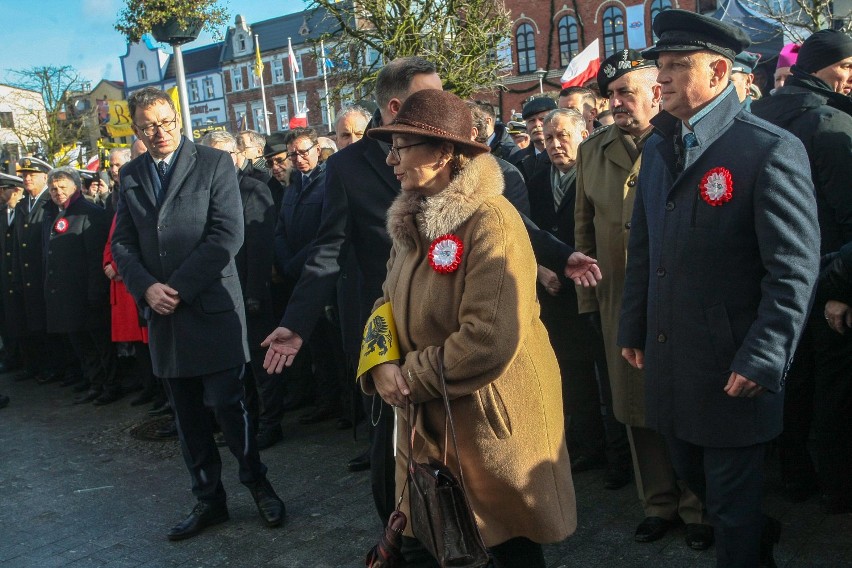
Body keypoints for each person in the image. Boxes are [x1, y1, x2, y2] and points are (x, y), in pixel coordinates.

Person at [619, 10, 819, 567]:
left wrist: (763, 357)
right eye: (660, 64)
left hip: (732, 365)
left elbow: (793, 270)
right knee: (699, 483)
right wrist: (633, 325)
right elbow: (647, 250)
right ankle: (755, 532)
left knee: (729, 515)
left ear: (718, 71)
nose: (662, 77)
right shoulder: (659, 149)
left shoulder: (767, 149)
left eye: (677, 65)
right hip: (671, 358)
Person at [364, 87, 576, 568]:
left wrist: (408, 376)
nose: (392, 160)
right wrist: (380, 362)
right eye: (390, 147)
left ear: (443, 153)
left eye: (402, 147)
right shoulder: (412, 216)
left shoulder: (492, 222)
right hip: (428, 416)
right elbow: (386, 302)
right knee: (440, 537)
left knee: (506, 547)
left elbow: (488, 338)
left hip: (488, 419)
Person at [111, 86, 284, 540]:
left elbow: (227, 234)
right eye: (149, 125)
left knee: (231, 407)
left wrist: (178, 288)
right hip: (164, 317)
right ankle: (208, 499)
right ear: (137, 129)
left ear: (178, 119)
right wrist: (146, 288)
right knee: (186, 417)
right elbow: (122, 243)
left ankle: (257, 483)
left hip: (210, 308)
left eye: (166, 121)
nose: (160, 131)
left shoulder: (213, 163)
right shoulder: (129, 176)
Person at [575, 48, 711, 549]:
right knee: (633, 405)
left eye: (624, 92)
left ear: (655, 93)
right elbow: (583, 232)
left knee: (683, 398)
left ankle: (698, 505)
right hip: (617, 298)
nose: (615, 103)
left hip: (673, 293)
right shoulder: (593, 151)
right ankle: (658, 502)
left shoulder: (682, 142)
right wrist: (590, 303)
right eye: (610, 94)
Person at [751, 28, 852, 514]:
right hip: (828, 279)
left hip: (777, 276)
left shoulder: (760, 116)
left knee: (792, 381)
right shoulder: (829, 122)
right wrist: (839, 285)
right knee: (831, 390)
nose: (850, 76)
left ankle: (795, 475)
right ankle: (837, 485)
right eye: (846, 65)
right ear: (819, 66)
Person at [528, 108, 628, 489]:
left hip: (593, 286)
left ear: (583, 134)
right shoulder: (536, 176)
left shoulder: (594, 173)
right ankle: (590, 448)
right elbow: (530, 228)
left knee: (608, 377)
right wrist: (542, 267)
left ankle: (620, 458)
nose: (554, 145)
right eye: (548, 138)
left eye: (562, 136)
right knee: (573, 376)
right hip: (554, 292)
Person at [273, 127, 346, 427]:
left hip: (322, 276)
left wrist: (295, 262)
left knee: (336, 345)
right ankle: (328, 402)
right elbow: (280, 228)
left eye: (304, 151)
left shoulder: (329, 181)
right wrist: (286, 261)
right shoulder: (293, 185)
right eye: (294, 154)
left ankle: (347, 406)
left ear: (318, 149)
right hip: (298, 275)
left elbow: (325, 233)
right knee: (317, 346)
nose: (299, 158)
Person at [42, 167, 118, 405]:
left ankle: (111, 385)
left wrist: (95, 293)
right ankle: (95, 383)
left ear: (75, 186)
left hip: (88, 295)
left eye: (63, 187)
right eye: (53, 189)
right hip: (67, 296)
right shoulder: (55, 213)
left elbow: (95, 256)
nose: (58, 192)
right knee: (82, 344)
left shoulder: (90, 213)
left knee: (100, 343)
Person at [0, 173, 25, 374]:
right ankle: (12, 356)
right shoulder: (2, 213)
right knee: (8, 321)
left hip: (21, 276)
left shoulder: (24, 212)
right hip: (5, 278)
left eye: (3, 189)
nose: (0, 193)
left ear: (16, 190)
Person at [471, 100, 524, 167]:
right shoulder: (469, 148)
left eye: (476, 121)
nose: (470, 125)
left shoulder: (510, 151)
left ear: (488, 121)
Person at [520, 96, 556, 180]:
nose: (537, 124)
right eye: (531, 121)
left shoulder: (565, 155)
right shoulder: (516, 160)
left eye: (542, 119)